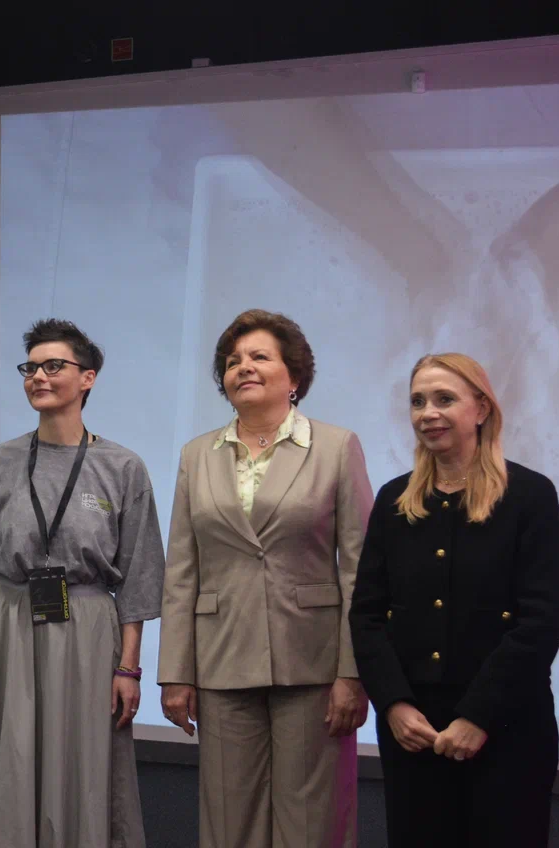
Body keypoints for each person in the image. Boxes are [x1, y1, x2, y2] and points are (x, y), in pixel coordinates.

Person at [0, 319, 165, 848]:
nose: (37, 376)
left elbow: (139, 578)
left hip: (86, 632)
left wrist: (128, 668)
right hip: (5, 626)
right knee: (7, 752)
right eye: (30, 367)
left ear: (88, 378)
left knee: (80, 760)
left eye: (53, 366)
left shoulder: (123, 467)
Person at [157, 309, 373, 848]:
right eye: (233, 362)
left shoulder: (337, 446)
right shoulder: (196, 455)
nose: (243, 367)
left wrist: (354, 672)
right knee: (229, 821)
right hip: (221, 661)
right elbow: (181, 570)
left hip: (313, 664)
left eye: (259, 357)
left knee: (312, 823)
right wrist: (175, 673)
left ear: (294, 375)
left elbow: (361, 570)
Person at [349, 353, 559, 848]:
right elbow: (367, 615)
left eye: (445, 399)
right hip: (413, 731)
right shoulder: (394, 500)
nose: (428, 413)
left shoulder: (530, 495)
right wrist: (394, 706)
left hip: (508, 726)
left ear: (482, 409)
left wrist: (478, 717)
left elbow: (539, 622)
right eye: (417, 402)